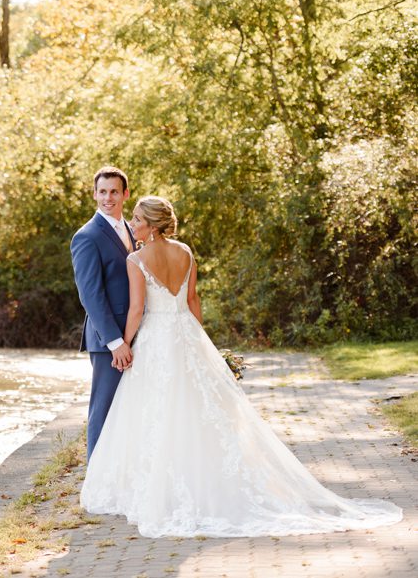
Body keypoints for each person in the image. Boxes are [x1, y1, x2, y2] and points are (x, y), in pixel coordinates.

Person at [80, 195, 403, 537]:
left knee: (158, 412)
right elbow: (192, 301)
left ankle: (162, 487)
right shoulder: (186, 252)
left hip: (157, 338)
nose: (133, 224)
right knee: (195, 411)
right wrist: (198, 342)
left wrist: (126, 345)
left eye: (138, 219)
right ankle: (199, 480)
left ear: (153, 224)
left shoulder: (136, 258)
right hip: (186, 333)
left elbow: (135, 310)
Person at [70, 166, 136, 462]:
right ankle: (95, 478)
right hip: (109, 340)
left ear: (125, 194)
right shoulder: (87, 236)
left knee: (130, 407)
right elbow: (90, 295)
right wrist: (115, 341)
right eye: (102, 192)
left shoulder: (135, 231)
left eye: (114, 191)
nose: (108, 198)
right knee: (104, 407)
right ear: (95, 194)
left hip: (138, 331)